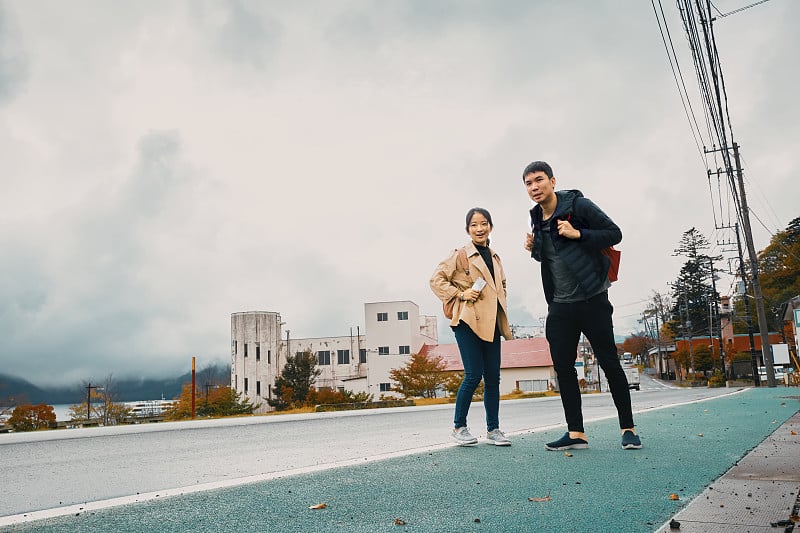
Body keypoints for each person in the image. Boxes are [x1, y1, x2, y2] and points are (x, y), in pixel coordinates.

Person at [522, 161, 642, 451]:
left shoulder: (579, 205)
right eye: (528, 183)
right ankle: (576, 433)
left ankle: (628, 429)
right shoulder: (536, 217)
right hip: (560, 306)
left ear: (552, 181)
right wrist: (534, 249)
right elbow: (553, 257)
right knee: (563, 369)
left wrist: (579, 234)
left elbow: (614, 233)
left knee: (610, 363)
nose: (534, 187)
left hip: (592, 300)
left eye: (539, 180)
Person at [430, 207, 514, 446]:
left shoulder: (495, 257)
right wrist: (460, 293)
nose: (480, 228)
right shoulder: (460, 255)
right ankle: (459, 427)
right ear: (468, 229)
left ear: (491, 226)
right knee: (473, 374)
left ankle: (494, 430)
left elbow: (503, 285)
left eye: (484, 223)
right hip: (467, 321)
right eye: (474, 224)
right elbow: (435, 280)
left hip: (492, 322)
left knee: (493, 378)